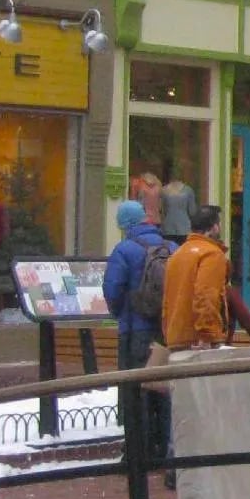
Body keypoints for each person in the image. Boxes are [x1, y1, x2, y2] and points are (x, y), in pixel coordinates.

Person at [103, 199, 170, 466]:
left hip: (135, 332)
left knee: (135, 393)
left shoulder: (124, 250)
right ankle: (164, 447)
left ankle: (138, 453)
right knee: (163, 390)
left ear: (124, 224)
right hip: (165, 331)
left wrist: (121, 313)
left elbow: (113, 291)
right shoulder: (170, 247)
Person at [162, 205, 233, 352]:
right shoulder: (212, 254)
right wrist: (208, 335)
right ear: (214, 227)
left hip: (175, 338)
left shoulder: (178, 253)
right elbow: (206, 295)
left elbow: (167, 301)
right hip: (199, 341)